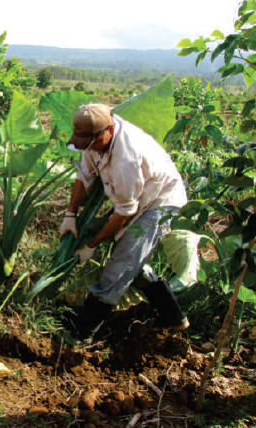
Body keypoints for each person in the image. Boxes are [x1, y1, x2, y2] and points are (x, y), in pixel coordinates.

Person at [59, 104, 189, 339]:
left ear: (108, 129)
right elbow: (84, 176)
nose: (89, 149)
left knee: (122, 263)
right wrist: (70, 214)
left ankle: (82, 333)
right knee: (133, 263)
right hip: (136, 200)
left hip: (158, 202)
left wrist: (92, 244)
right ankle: (175, 318)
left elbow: (126, 211)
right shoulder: (92, 140)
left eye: (92, 143)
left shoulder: (126, 158)